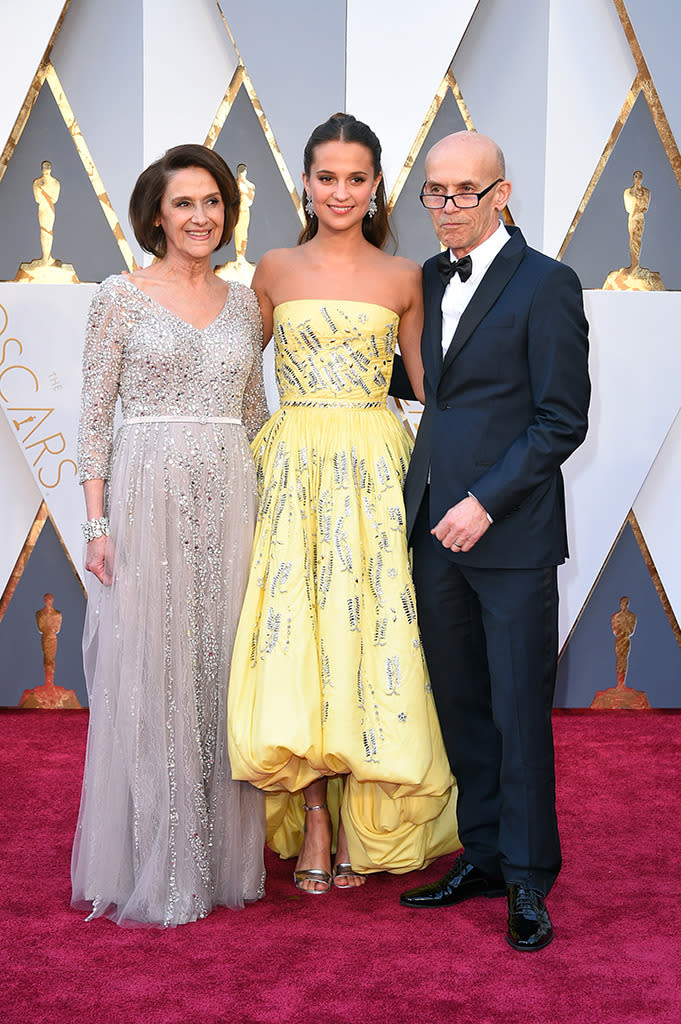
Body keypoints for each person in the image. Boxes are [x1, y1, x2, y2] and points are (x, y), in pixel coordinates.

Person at [228, 114, 459, 894]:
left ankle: (368, 814)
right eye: (325, 177)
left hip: (375, 468)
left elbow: (429, 390)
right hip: (292, 468)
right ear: (304, 182)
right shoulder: (273, 268)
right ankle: (317, 817)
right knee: (297, 638)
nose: (339, 191)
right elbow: (232, 378)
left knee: (370, 639)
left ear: (375, 188)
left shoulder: (404, 277)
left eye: (354, 178)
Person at [398, 132, 590, 951]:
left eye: (463, 192)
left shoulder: (547, 284)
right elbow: (430, 394)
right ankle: (479, 853)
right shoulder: (428, 279)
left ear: (501, 193)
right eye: (433, 193)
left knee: (517, 711)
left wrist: (483, 499)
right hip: (433, 533)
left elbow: (560, 419)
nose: (445, 209)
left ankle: (525, 878)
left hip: (507, 536)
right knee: (462, 706)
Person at [71, 144, 267, 927]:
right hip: (146, 491)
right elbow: (92, 417)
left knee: (219, 669)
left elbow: (253, 415)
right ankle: (161, 859)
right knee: (152, 669)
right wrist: (96, 524)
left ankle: (221, 860)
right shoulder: (118, 296)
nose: (200, 217)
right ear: (156, 212)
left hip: (231, 490)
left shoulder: (248, 303)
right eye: (184, 203)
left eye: (213, 203)